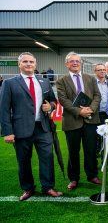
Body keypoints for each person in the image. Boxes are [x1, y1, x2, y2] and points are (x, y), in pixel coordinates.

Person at [0, 52, 62, 201]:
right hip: (20, 129)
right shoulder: (9, 83)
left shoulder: (44, 81)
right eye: (25, 62)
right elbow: (3, 109)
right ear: (19, 64)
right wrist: (7, 132)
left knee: (47, 158)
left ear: (35, 64)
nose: (29, 64)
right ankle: (28, 188)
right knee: (24, 161)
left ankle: (48, 187)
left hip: (43, 127)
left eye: (31, 62)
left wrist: (51, 106)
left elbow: (53, 101)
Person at [56, 52, 102, 190]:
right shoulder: (61, 81)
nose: (75, 63)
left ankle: (92, 175)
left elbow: (97, 96)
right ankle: (74, 178)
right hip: (72, 121)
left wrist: (91, 109)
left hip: (90, 120)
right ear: (67, 64)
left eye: (77, 61)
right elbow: (63, 100)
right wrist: (79, 111)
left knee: (91, 150)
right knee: (73, 151)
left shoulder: (90, 78)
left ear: (80, 63)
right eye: (72, 61)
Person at [94, 63, 108, 160]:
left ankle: (106, 161)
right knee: (97, 139)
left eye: (103, 70)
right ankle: (95, 160)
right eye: (99, 70)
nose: (102, 71)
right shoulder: (91, 83)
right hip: (96, 114)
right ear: (95, 72)